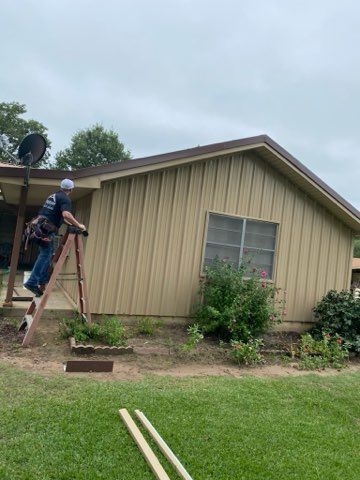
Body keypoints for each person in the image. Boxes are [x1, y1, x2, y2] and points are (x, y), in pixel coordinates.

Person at [24, 178, 86, 296]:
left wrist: (73, 224)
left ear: (61, 186)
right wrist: (79, 225)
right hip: (46, 231)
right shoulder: (65, 199)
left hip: (39, 228)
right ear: (71, 189)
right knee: (45, 254)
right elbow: (66, 214)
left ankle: (42, 280)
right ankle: (32, 282)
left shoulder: (53, 196)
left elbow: (58, 216)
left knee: (45, 254)